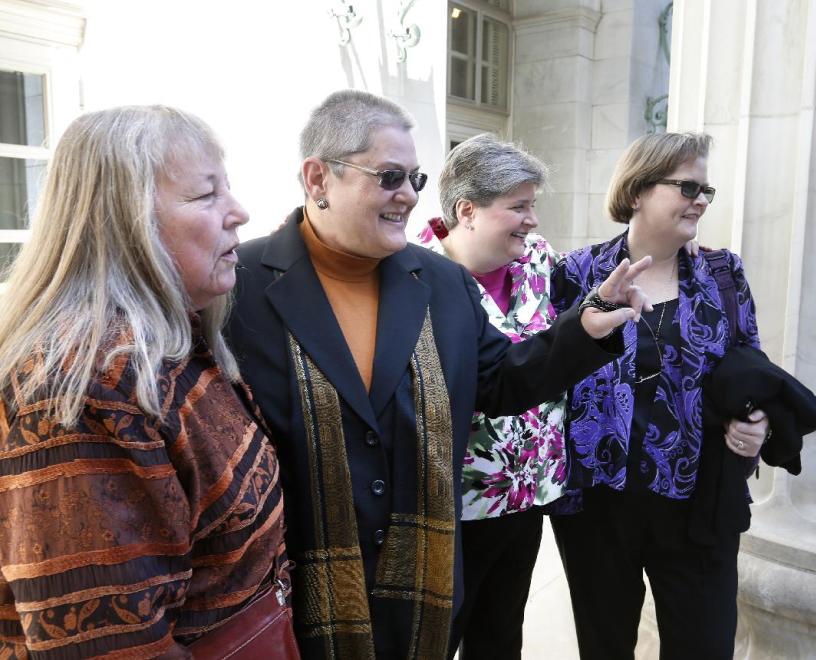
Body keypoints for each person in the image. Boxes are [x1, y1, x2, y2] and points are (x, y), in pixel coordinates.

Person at [226, 90, 653, 660]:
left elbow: (502, 381)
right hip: (292, 599)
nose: (407, 195)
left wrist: (585, 330)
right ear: (318, 178)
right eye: (388, 176)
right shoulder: (239, 286)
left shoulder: (441, 283)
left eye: (415, 179)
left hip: (420, 590)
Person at [0, 106, 288, 658]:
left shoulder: (165, 343)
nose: (240, 213)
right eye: (207, 195)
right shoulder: (81, 389)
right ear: (125, 219)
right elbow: (108, 647)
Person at [549, 132, 769, 659]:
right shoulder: (575, 272)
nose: (701, 199)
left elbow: (752, 365)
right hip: (598, 503)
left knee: (704, 645)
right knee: (604, 646)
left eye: (706, 190)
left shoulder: (723, 273)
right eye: (688, 186)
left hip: (699, 500)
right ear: (638, 190)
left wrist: (758, 422)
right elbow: (544, 369)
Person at [415, 134, 562, 659]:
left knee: (501, 636)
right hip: (451, 502)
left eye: (533, 205)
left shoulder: (539, 262)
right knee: (437, 638)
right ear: (468, 210)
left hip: (526, 493)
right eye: (518, 207)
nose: (532, 220)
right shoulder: (415, 274)